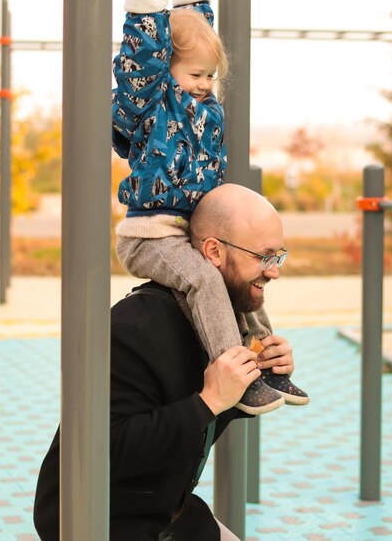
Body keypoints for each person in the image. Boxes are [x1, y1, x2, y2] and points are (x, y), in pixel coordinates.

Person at [33, 184, 302, 541]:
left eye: (277, 256)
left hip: (163, 510)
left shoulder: (216, 324)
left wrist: (255, 378)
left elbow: (194, 416)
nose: (274, 271)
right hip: (96, 520)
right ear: (213, 251)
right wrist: (211, 399)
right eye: (263, 257)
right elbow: (103, 452)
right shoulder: (134, 328)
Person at [111, 0, 308, 415]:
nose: (203, 85)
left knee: (244, 276)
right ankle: (234, 369)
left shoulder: (204, 103)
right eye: (194, 76)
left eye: (210, 76)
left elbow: (196, 36)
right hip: (151, 236)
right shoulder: (154, 104)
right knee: (205, 277)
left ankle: (264, 361)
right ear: (167, 75)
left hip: (192, 231)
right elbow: (143, 59)